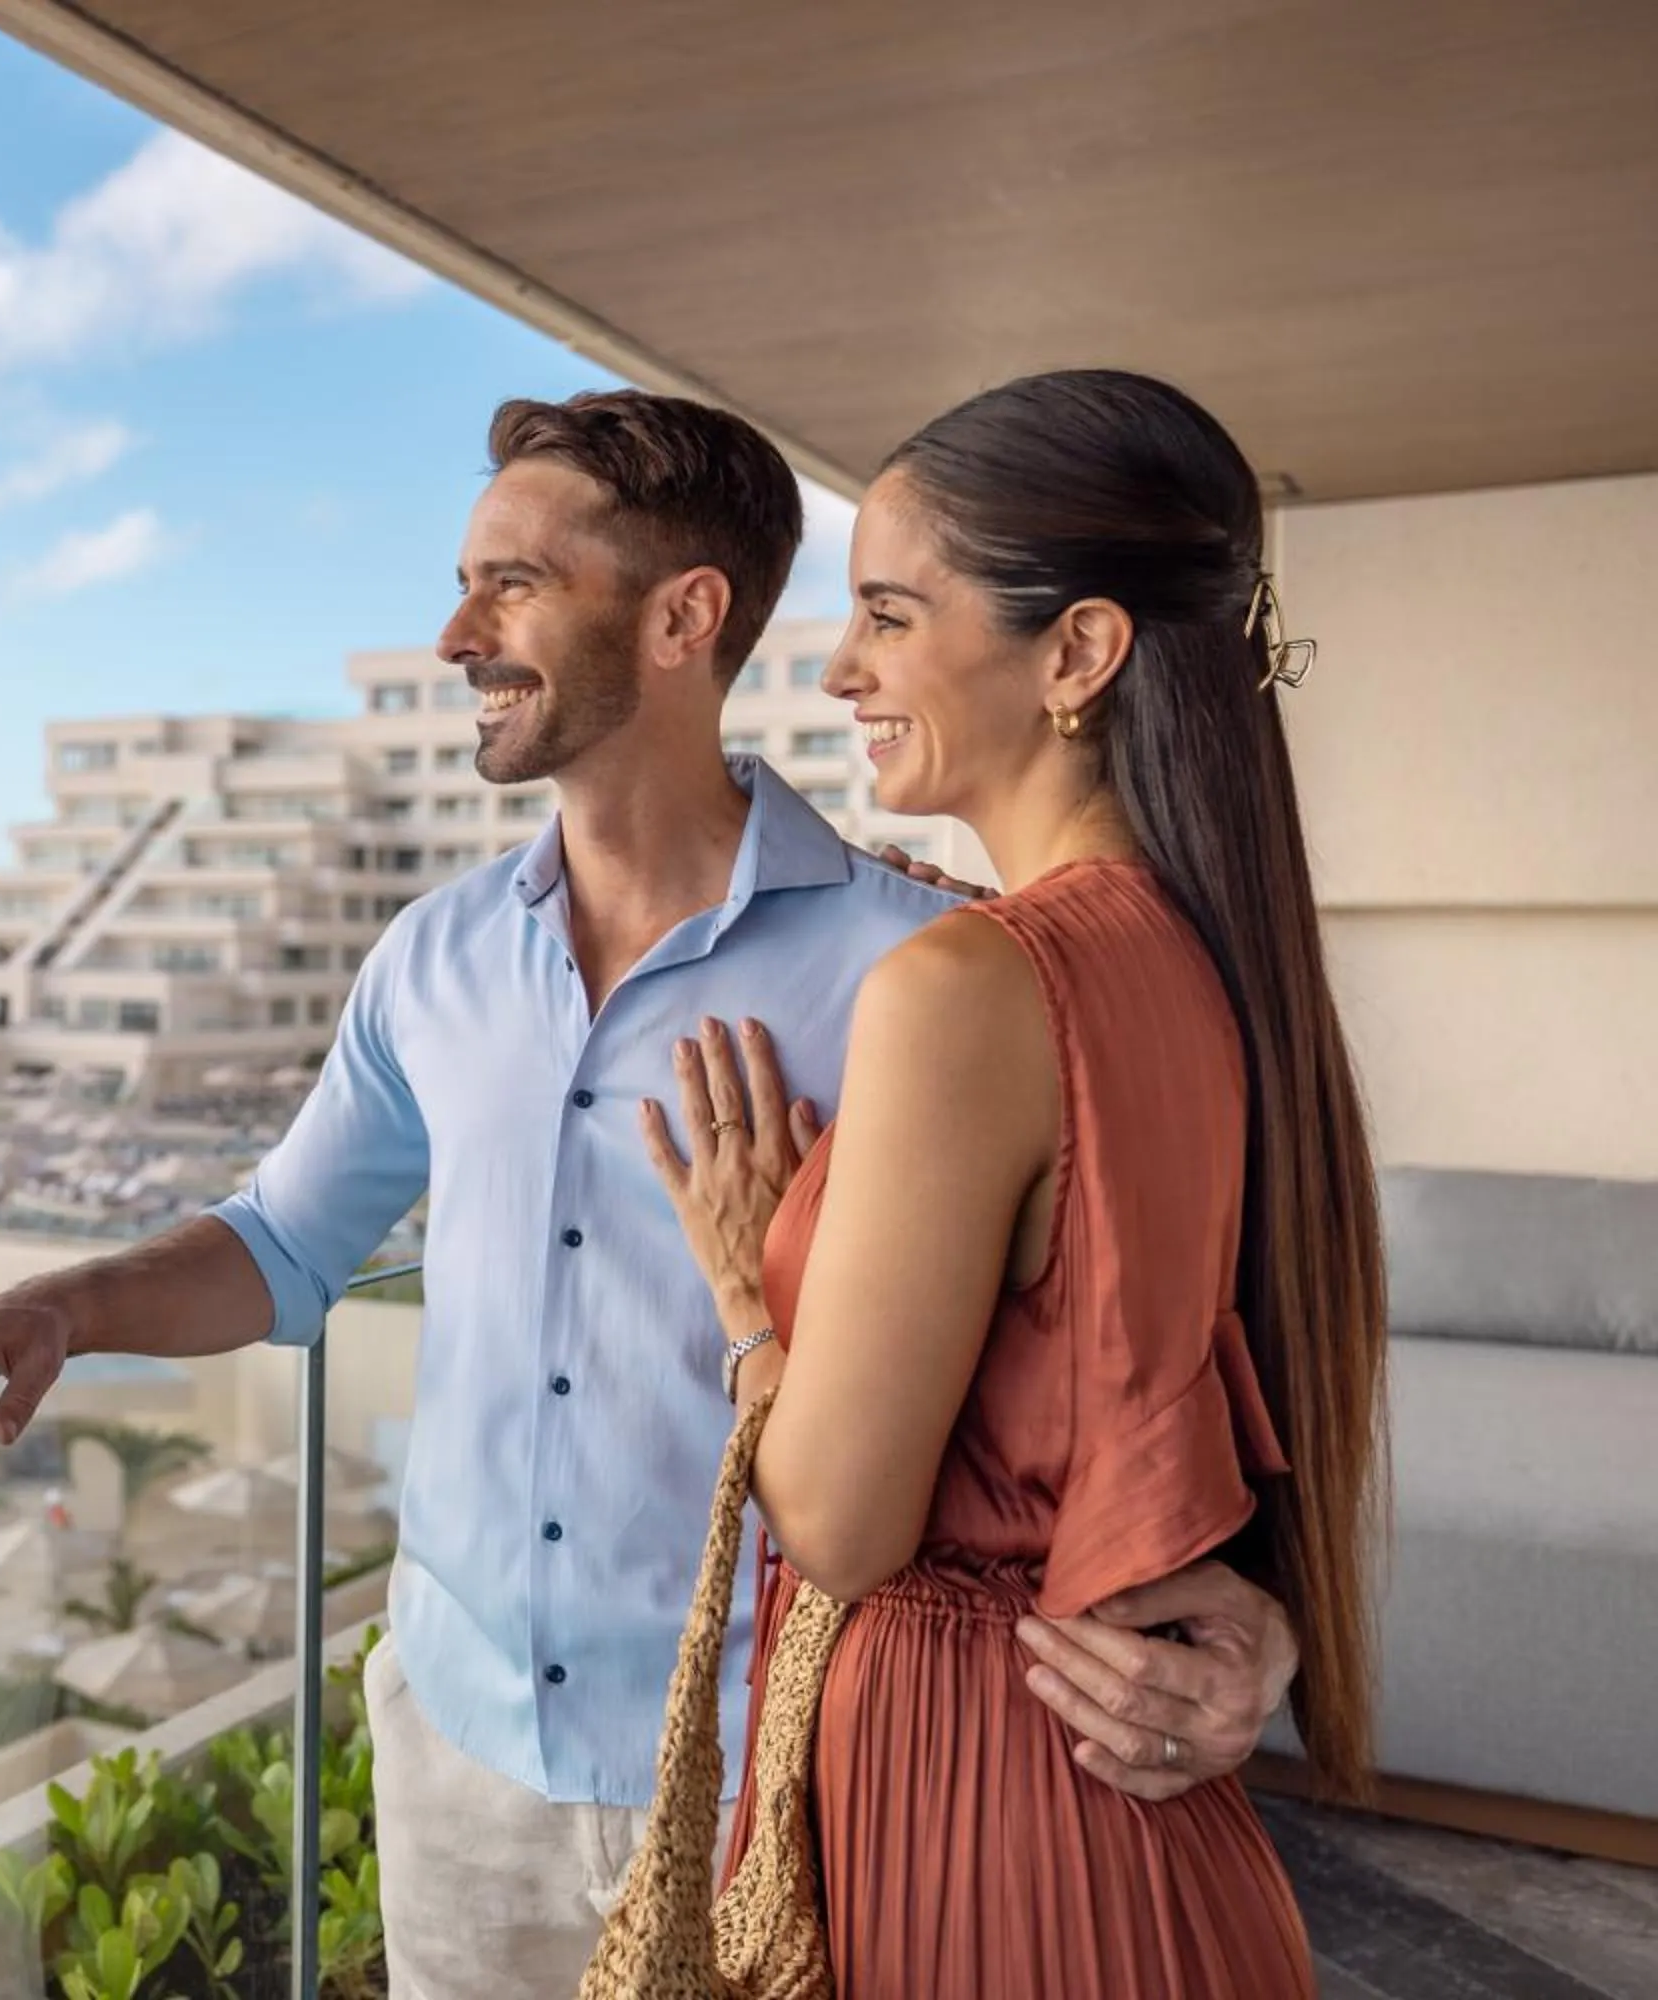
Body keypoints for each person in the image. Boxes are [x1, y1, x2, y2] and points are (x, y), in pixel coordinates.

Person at [0, 388, 1303, 1997]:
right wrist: (69, 1303)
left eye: (513, 584)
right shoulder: (434, 958)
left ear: (683, 618)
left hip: (774, 1777)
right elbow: (281, 1242)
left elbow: (1114, 1350)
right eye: (466, 584)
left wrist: (1236, 1619)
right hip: (460, 1763)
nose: (459, 634)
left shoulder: (933, 967)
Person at [645, 368, 1383, 1996]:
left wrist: (750, 1290)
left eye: (889, 615)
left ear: (1077, 653)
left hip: (989, 1816)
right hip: (1120, 1831)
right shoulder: (1208, 957)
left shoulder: (972, 988)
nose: (840, 667)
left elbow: (841, 1527)